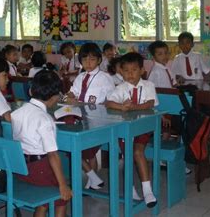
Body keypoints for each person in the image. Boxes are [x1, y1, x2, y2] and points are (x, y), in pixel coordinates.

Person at [12, 70, 72, 217]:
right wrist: (63, 185)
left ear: (31, 90)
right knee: (63, 197)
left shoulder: (17, 113)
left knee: (45, 202)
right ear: (54, 98)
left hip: (21, 168)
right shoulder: (45, 120)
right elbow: (52, 155)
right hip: (39, 169)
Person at [105, 52, 158, 208]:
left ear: (142, 70)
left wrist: (133, 107)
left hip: (144, 126)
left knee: (137, 152)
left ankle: (147, 190)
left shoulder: (149, 85)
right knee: (127, 154)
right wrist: (121, 106)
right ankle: (130, 188)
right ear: (121, 72)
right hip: (126, 128)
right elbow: (108, 102)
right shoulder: (120, 87)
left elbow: (149, 103)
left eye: (134, 70)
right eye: (126, 70)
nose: (130, 74)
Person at [66, 42, 114, 190]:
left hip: (97, 119)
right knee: (80, 150)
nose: (88, 63)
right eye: (84, 59)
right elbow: (72, 92)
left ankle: (92, 178)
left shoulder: (105, 78)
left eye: (92, 59)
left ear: (99, 60)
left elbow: (110, 100)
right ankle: (93, 179)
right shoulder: (80, 77)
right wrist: (70, 96)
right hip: (79, 117)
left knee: (84, 150)